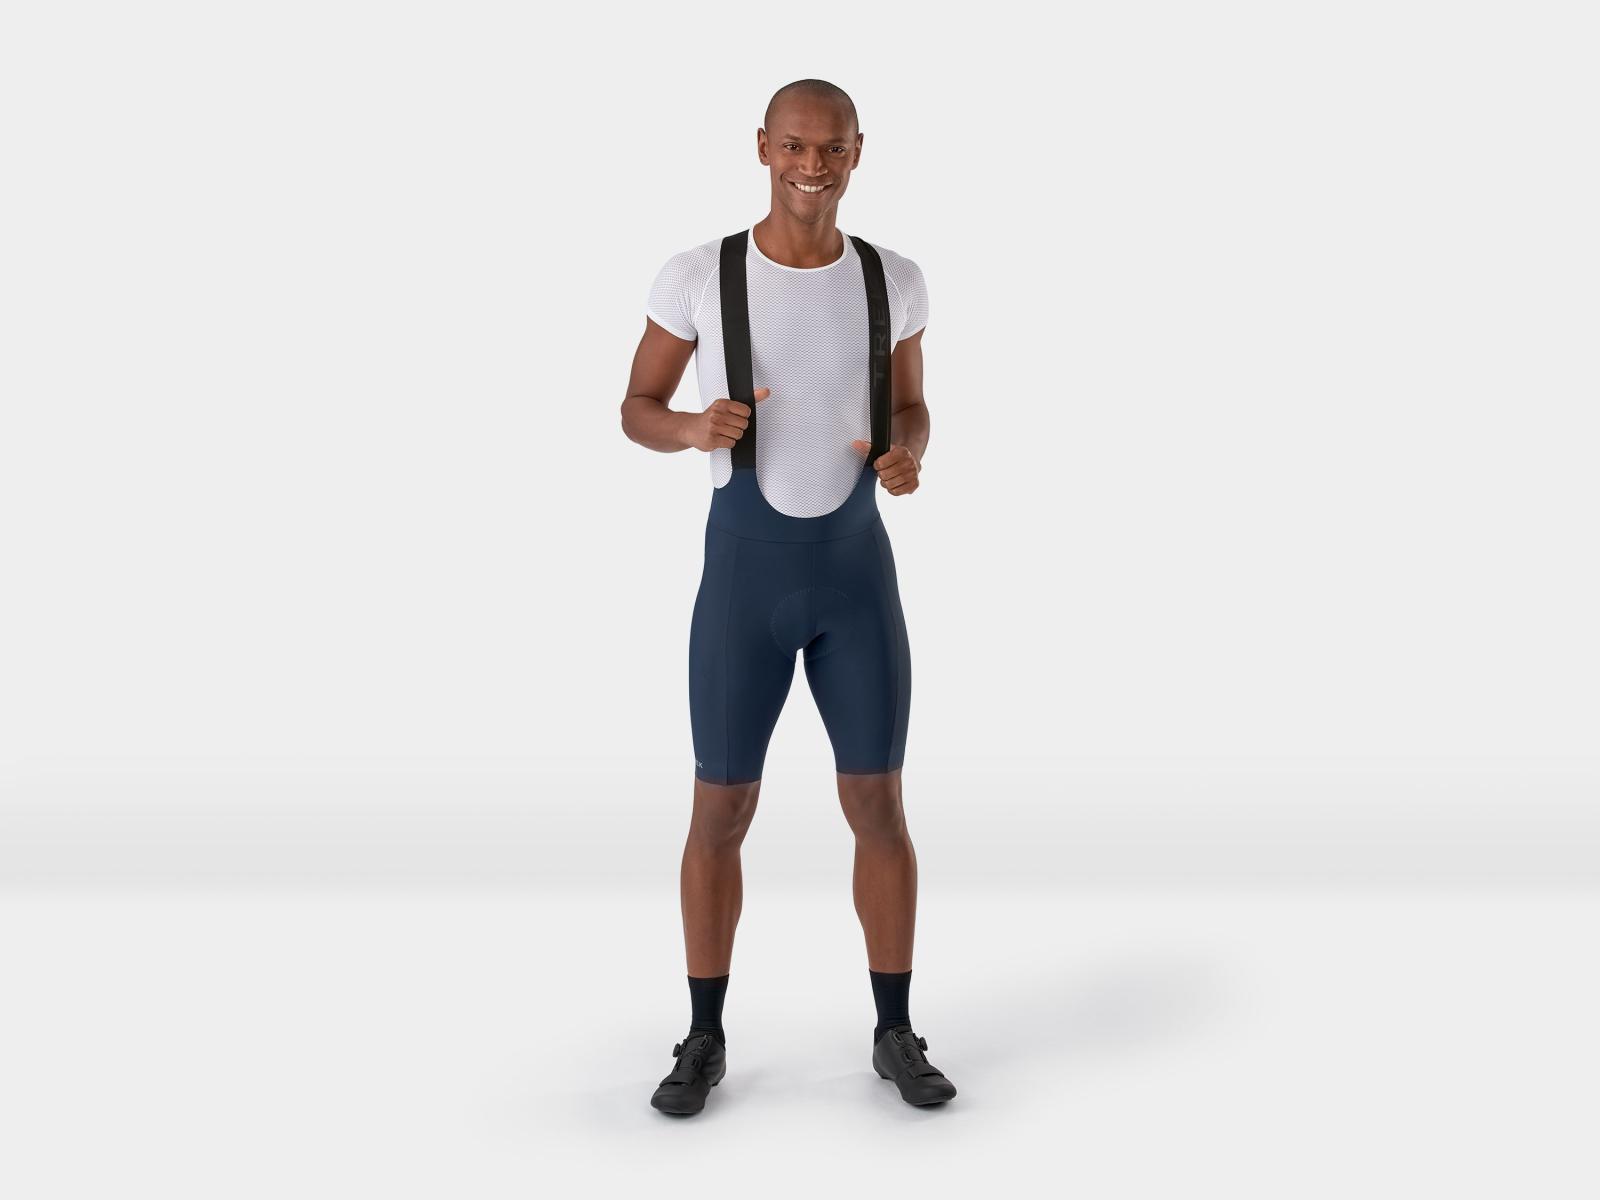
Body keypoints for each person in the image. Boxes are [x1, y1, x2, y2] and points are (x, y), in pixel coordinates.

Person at [620, 78, 956, 1115]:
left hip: (857, 580)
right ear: (763, 146)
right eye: (796, 147)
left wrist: (908, 452)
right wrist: (693, 428)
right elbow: (635, 406)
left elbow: (912, 406)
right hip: (743, 583)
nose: (814, 167)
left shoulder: (893, 280)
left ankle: (895, 1031)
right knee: (720, 809)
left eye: (833, 148)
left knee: (879, 805)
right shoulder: (699, 274)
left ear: (858, 152)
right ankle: (703, 1036)